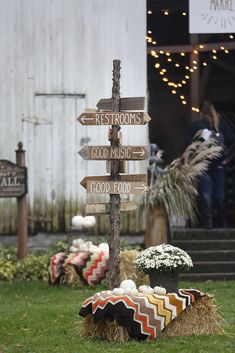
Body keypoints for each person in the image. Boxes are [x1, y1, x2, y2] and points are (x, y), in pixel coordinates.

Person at [190, 101, 228, 228]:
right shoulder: (219, 126)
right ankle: (223, 222)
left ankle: (208, 222)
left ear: (201, 112)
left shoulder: (196, 126)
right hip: (219, 164)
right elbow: (230, 139)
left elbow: (190, 145)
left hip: (203, 163)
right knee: (220, 192)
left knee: (206, 191)